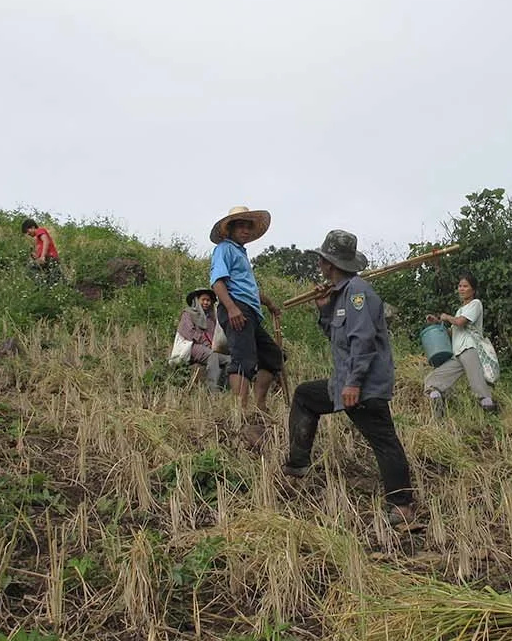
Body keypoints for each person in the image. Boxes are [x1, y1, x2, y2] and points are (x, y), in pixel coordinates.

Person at [285, 230, 420, 529]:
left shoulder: (358, 293)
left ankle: (402, 506)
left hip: (364, 386)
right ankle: (297, 466)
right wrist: (324, 310)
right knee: (306, 396)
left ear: (329, 264)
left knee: (384, 440)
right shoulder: (341, 295)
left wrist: (354, 383)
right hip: (344, 382)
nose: (319, 265)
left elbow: (363, 340)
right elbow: (338, 337)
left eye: (322, 260)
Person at [208, 205, 284, 418]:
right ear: (230, 229)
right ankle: (239, 411)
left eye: (248, 227)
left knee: (272, 355)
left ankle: (259, 406)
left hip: (249, 311)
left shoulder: (241, 253)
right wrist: (232, 308)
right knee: (243, 358)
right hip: (236, 308)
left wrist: (269, 304)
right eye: (240, 226)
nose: (245, 230)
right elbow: (217, 282)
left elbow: (248, 288)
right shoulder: (224, 249)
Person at [423, 272, 497, 418]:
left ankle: (492, 420)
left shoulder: (475, 304)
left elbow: (460, 322)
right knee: (433, 380)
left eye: (465, 286)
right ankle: (438, 407)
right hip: (457, 353)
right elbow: (453, 332)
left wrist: (446, 317)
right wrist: (437, 323)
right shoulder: (460, 310)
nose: (461, 289)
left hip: (469, 349)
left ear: (473, 290)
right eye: (460, 286)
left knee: (479, 387)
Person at [173, 288, 231, 391]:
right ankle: (213, 389)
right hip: (191, 346)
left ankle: (226, 388)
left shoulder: (211, 318)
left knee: (229, 359)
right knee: (213, 356)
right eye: (203, 300)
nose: (206, 302)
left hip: (210, 348)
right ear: (197, 300)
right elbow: (190, 333)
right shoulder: (188, 314)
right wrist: (206, 343)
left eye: (208, 300)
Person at [21, 218, 61, 284]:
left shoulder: (40, 230)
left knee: (31, 268)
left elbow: (46, 241)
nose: (27, 234)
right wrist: (36, 256)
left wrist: (42, 256)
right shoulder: (38, 239)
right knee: (53, 280)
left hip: (51, 258)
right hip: (48, 260)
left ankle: (39, 284)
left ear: (33, 227)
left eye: (27, 231)